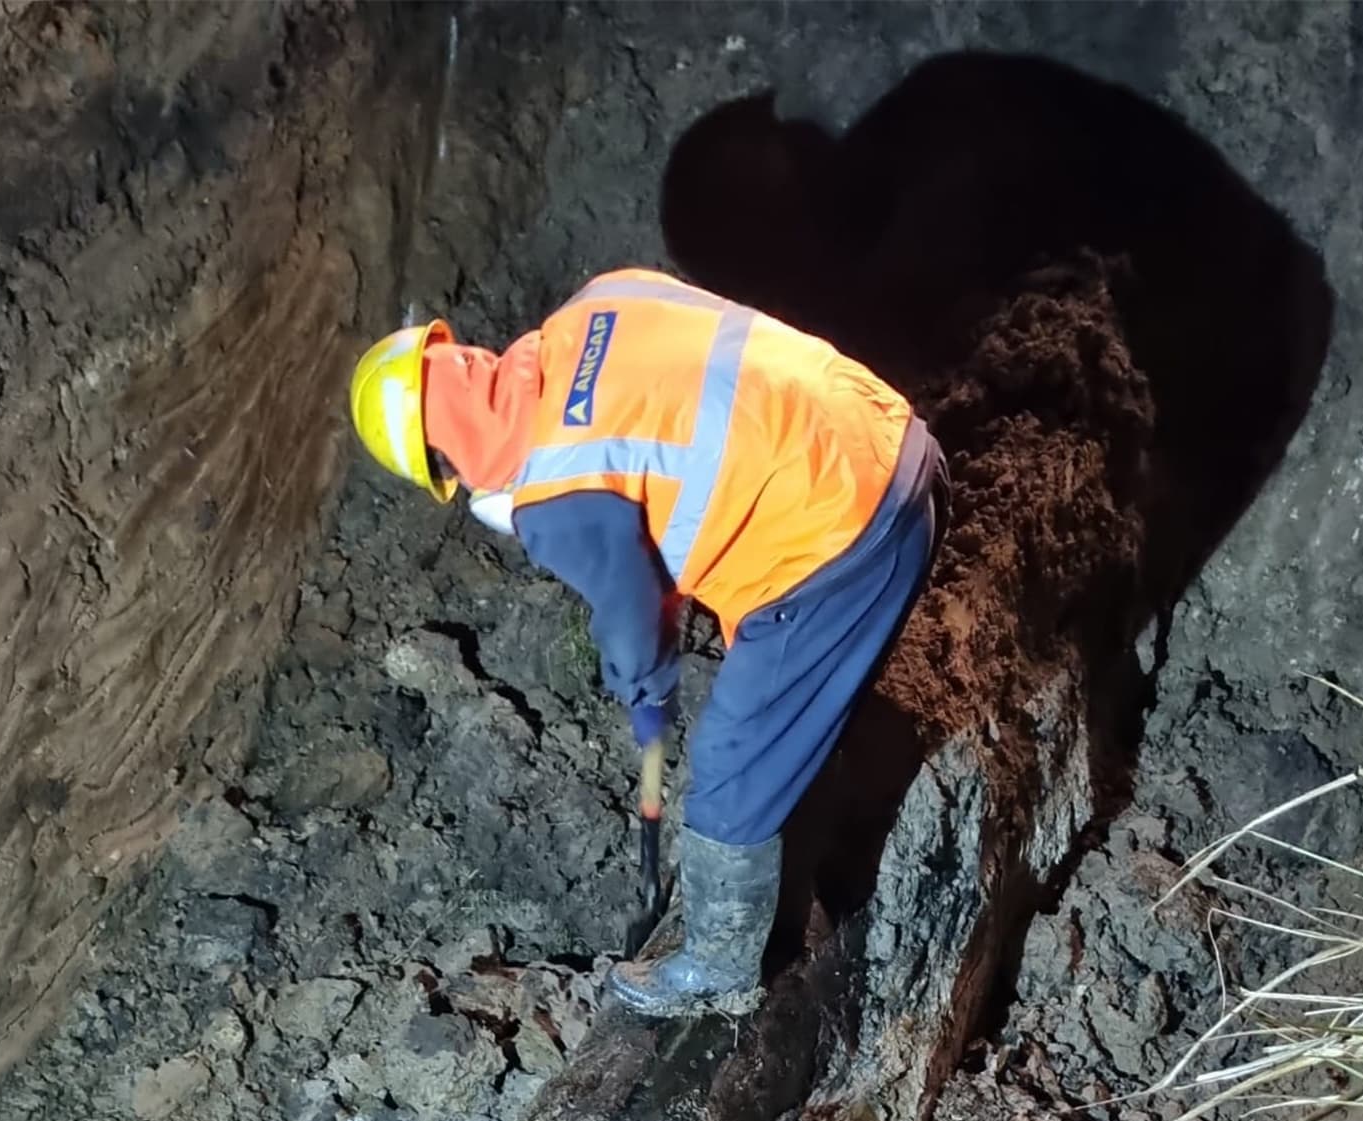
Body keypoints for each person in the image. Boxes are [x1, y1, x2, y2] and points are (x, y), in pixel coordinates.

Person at [348, 268, 944, 1017]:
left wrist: (646, 694)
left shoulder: (556, 496)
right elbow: (682, 443)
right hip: (894, 443)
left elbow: (632, 612)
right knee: (773, 693)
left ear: (443, 459)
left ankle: (721, 972)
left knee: (729, 762)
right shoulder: (599, 301)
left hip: (844, 538)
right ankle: (819, 813)